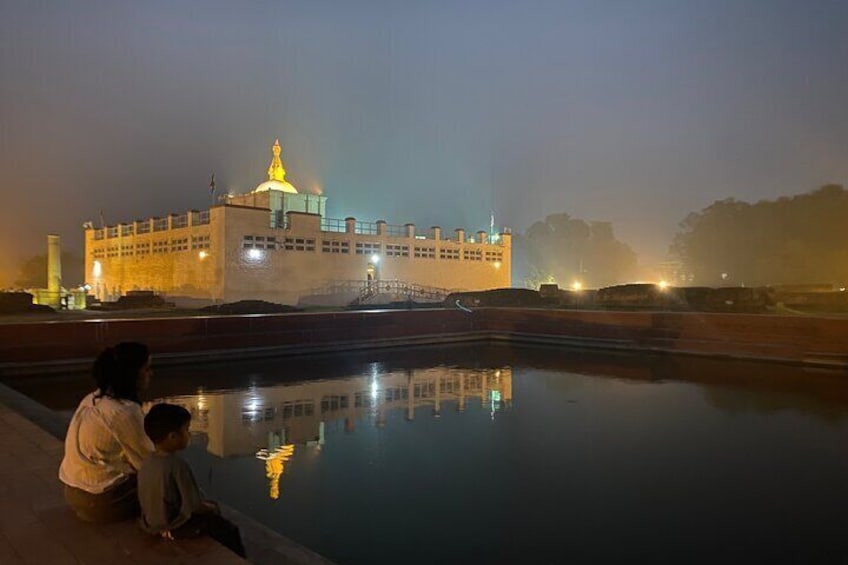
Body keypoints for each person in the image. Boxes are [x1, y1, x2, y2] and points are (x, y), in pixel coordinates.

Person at [59, 342, 155, 523]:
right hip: (100, 502)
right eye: (147, 369)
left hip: (73, 491)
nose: (151, 374)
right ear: (132, 374)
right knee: (165, 477)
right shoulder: (124, 412)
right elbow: (148, 462)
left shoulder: (93, 398)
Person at [138, 403, 246, 558]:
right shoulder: (178, 465)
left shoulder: (148, 460)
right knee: (228, 528)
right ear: (173, 436)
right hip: (173, 526)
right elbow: (193, 506)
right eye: (186, 430)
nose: (189, 434)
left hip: (150, 522)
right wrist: (210, 508)